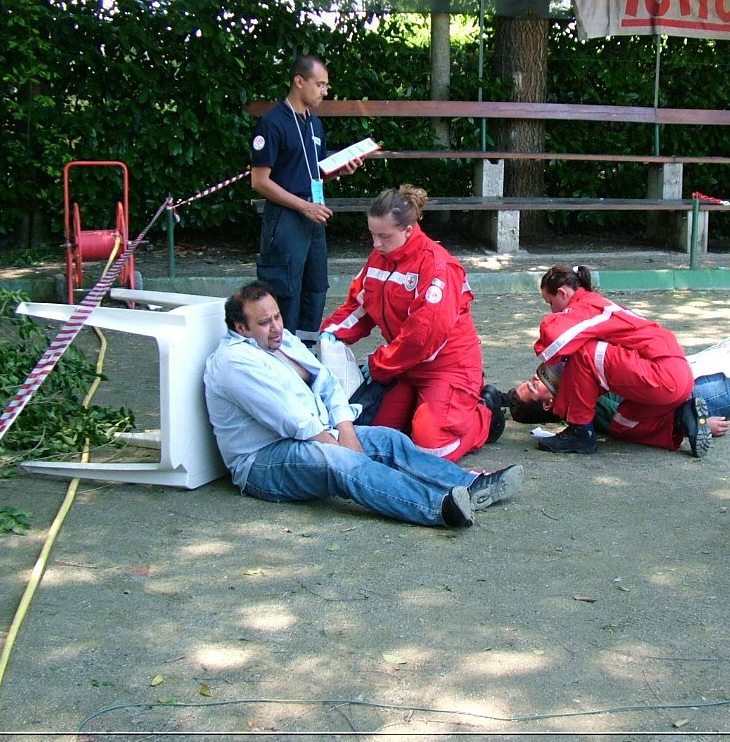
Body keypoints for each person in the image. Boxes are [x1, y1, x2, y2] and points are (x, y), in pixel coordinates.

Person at [203, 281, 522, 529]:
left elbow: (326, 381)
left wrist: (346, 431)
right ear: (240, 328)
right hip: (261, 462)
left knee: (388, 438)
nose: (275, 327)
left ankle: (473, 485)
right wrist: (341, 446)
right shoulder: (235, 362)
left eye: (277, 316)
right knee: (342, 464)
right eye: (264, 323)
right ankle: (438, 506)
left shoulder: (281, 339)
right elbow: (294, 420)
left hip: (314, 432)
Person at [320, 185, 505, 463]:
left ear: (408, 230)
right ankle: (429, 413)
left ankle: (484, 414)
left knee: (433, 451)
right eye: (373, 235)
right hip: (404, 366)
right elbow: (360, 305)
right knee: (372, 433)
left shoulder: (437, 266)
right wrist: (329, 335)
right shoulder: (379, 258)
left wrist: (379, 364)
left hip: (447, 365)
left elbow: (423, 337)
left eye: (384, 236)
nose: (376, 244)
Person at [509, 314, 730, 453]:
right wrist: (689, 421)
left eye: (531, 380)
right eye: (534, 386)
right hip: (695, 392)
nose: (536, 377)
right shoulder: (587, 407)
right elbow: (629, 424)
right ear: (548, 403)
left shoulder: (574, 388)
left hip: (681, 372)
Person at [523, 265, 706, 456]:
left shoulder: (585, 307)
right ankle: (681, 420)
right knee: (621, 424)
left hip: (663, 374)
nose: (552, 310)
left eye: (550, 303)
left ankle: (580, 432)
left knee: (583, 352)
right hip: (678, 376)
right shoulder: (598, 304)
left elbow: (550, 345)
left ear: (562, 293)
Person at [250, 55, 364, 347]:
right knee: (286, 290)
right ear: (299, 81)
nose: (325, 91)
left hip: (315, 215)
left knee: (315, 288)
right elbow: (260, 181)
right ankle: (279, 355)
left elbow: (313, 172)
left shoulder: (314, 123)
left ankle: (306, 353)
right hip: (288, 217)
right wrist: (303, 206)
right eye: (320, 84)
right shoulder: (272, 123)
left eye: (326, 85)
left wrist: (339, 170)